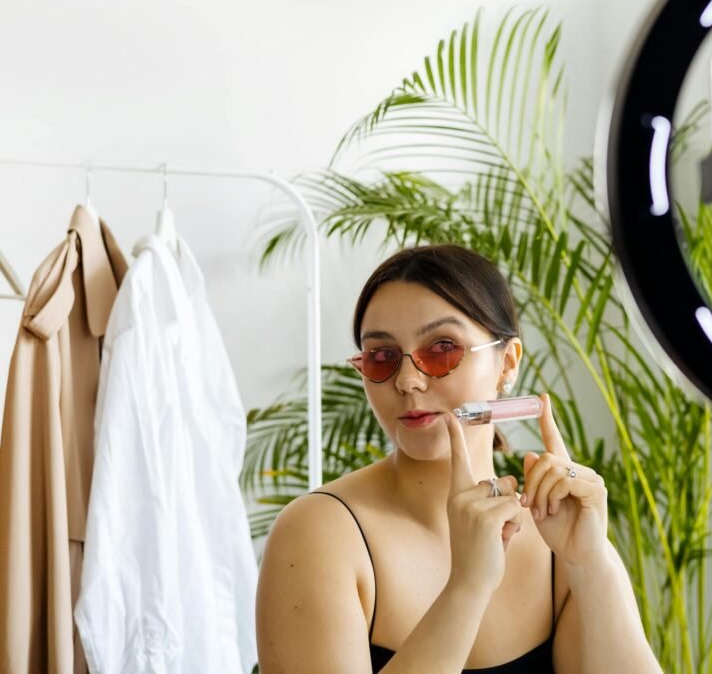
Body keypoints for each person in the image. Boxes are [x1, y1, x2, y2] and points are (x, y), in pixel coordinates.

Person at [255, 244, 661, 672]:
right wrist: (467, 587)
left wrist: (591, 563)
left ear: (507, 363)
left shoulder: (557, 538)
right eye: (382, 357)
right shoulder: (319, 535)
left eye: (442, 349)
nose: (408, 381)